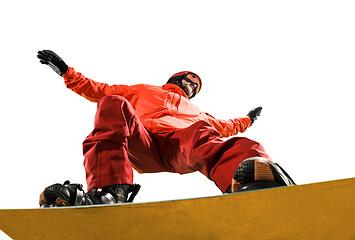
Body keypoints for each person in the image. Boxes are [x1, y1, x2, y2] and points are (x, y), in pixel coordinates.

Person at [37, 50, 295, 207]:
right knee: (113, 103)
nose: (191, 86)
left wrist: (248, 120)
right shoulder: (144, 91)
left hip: (182, 147)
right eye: (188, 81)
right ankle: (109, 191)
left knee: (204, 130)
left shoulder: (199, 114)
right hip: (144, 143)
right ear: (174, 79)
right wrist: (66, 72)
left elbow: (229, 127)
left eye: (195, 86)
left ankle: (253, 183)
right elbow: (100, 90)